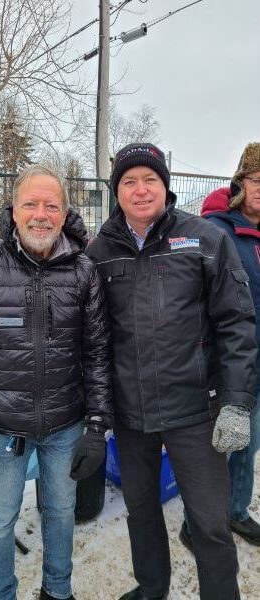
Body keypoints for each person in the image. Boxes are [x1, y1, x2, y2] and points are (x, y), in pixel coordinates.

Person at [86, 143, 258, 600]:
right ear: (116, 191)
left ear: (166, 186)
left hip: (195, 411)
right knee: (141, 512)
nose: (140, 190)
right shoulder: (99, 250)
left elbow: (236, 324)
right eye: (128, 181)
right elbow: (92, 336)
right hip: (131, 414)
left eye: (150, 180)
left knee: (210, 522)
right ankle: (151, 587)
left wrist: (237, 403)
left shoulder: (205, 239)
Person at [0, 165, 113, 600]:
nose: (40, 214)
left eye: (51, 205)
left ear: (64, 213)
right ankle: (1, 594)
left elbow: (97, 353)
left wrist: (96, 427)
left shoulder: (84, 272)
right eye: (30, 204)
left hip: (66, 427)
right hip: (1, 430)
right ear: (13, 211)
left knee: (60, 513)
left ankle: (57, 591)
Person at [180, 143, 260, 550]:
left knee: (251, 442)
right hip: (226, 361)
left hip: (258, 360)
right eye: (257, 180)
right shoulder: (217, 230)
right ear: (240, 184)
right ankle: (197, 525)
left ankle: (237, 511)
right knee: (219, 449)